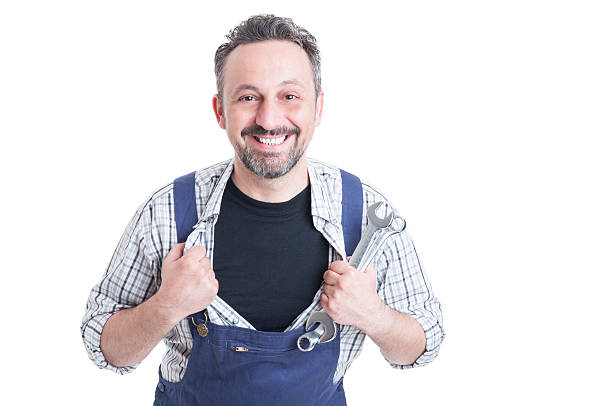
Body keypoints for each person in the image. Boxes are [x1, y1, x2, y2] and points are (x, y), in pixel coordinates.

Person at [81, 14, 444, 405]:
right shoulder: (167, 212)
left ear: (317, 108)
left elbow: (424, 344)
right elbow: (105, 348)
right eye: (248, 97)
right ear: (220, 112)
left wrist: (373, 315)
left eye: (289, 96)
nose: (269, 120)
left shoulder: (364, 213)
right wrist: (167, 305)